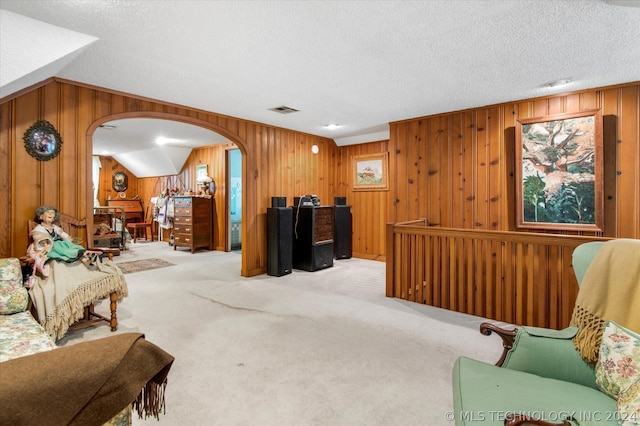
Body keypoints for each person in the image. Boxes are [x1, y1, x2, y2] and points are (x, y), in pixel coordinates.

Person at [26, 206, 128, 340]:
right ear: (41, 216)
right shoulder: (39, 229)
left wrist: (70, 239)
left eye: (52, 214)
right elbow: (38, 239)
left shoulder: (55, 228)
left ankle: (85, 257)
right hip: (52, 247)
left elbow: (64, 235)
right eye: (47, 214)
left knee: (76, 248)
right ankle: (83, 257)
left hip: (62, 245)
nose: (50, 216)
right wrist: (45, 245)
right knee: (66, 254)